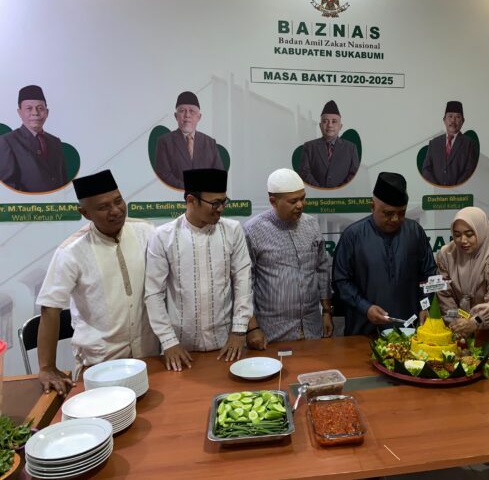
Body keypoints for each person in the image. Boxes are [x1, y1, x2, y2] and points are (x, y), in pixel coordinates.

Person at [35, 170, 159, 395]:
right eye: (103, 207)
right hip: (100, 364)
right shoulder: (71, 251)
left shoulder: (147, 233)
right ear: (85, 213)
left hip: (149, 357)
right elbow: (50, 308)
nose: (116, 211)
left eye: (118, 201)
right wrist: (47, 367)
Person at [145, 168, 252, 371]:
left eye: (224, 202)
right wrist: (168, 342)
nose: (221, 209)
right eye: (215, 203)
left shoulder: (232, 230)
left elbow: (243, 281)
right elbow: (153, 294)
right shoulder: (163, 236)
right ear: (191, 200)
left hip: (226, 345)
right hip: (180, 349)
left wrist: (239, 331)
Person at [332, 172, 437, 335]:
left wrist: (425, 306)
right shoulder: (353, 236)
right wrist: (365, 307)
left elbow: (429, 273)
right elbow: (341, 281)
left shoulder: (415, 232)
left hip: (409, 331)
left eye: (401, 213)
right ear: (372, 206)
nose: (395, 219)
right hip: (363, 331)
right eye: (388, 213)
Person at [244, 168, 332, 345]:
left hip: (312, 328)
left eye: (302, 198)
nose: (300, 205)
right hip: (272, 333)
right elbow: (245, 283)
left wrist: (327, 311)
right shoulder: (253, 230)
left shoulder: (312, 225)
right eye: (293, 201)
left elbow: (322, 269)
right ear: (273, 201)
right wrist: (252, 328)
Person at [435, 207, 489, 338]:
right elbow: (444, 295)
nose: (463, 240)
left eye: (469, 234)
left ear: (481, 232)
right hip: (458, 331)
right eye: (457, 235)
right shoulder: (446, 255)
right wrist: (456, 323)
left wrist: (475, 321)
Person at [0, 85, 68, 192]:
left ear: (47, 112)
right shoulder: (7, 141)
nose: (35, 113)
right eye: (29, 108)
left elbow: (63, 181)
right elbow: (8, 186)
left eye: (40, 108)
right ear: (19, 112)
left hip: (59, 202)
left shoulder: (55, 142)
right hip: (28, 203)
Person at [154, 91, 224, 189]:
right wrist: (190, 187)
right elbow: (164, 175)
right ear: (176, 116)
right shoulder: (165, 142)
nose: (187, 115)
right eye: (182, 111)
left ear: (199, 117)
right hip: (176, 196)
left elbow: (219, 176)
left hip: (205, 197)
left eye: (192, 111)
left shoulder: (210, 143)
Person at [299, 100, 359, 188]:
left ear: (340, 126)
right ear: (320, 126)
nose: (330, 125)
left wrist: (339, 190)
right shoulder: (309, 147)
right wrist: (321, 190)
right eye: (325, 121)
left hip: (342, 194)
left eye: (334, 121)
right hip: (316, 194)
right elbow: (304, 173)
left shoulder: (351, 148)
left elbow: (354, 174)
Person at [421, 101, 477, 186]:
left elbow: (469, 170)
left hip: (459, 192)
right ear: (444, 120)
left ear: (463, 121)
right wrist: (438, 187)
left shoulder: (469, 144)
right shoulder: (434, 143)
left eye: (457, 117)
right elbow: (426, 169)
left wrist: (454, 189)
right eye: (450, 116)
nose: (453, 120)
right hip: (437, 192)